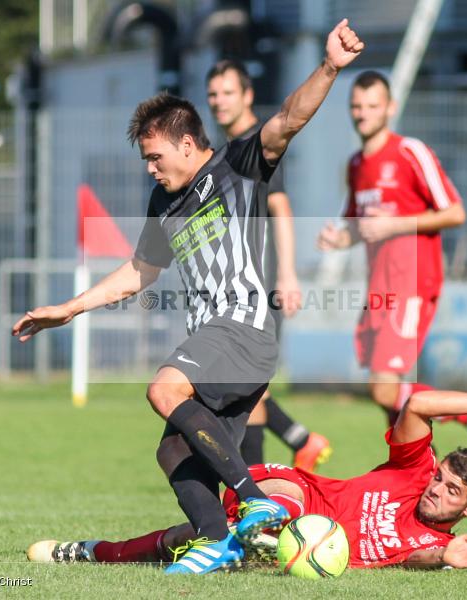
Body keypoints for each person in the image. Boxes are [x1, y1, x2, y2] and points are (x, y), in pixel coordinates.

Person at [12, 19, 365, 575]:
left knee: (164, 388)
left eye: (155, 157)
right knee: (173, 450)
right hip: (217, 338)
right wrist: (68, 308)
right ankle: (220, 542)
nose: (150, 168)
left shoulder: (238, 166)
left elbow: (289, 119)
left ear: (185, 142)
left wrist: (329, 67)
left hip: (244, 328)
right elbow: (137, 272)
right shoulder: (165, 201)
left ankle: (253, 501)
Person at [27, 386, 467, 570]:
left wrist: (444, 558)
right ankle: (249, 527)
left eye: (452, 490)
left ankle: (90, 551)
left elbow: (415, 556)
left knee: (185, 542)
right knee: (276, 505)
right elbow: (419, 403)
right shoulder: (413, 471)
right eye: (441, 477)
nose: (436, 488)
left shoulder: (432, 542)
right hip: (297, 492)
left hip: (301, 544)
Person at [316, 71, 467, 463]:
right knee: (390, 399)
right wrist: (340, 239)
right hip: (379, 288)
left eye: (372, 106)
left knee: (383, 389)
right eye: (356, 106)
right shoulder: (356, 164)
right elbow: (360, 226)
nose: (363, 114)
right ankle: (417, 468)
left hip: (412, 281)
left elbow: (455, 211)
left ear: (390, 108)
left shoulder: (409, 152)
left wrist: (395, 224)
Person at [205, 59, 331, 472]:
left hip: (262, 283)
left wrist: (288, 275)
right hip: (235, 287)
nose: (219, 101)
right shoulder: (226, 150)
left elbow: (281, 207)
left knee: (246, 383)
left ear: (247, 95)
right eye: (213, 94)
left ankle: (254, 488)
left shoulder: (257, 144)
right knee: (239, 381)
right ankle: (298, 441)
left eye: (227, 92)